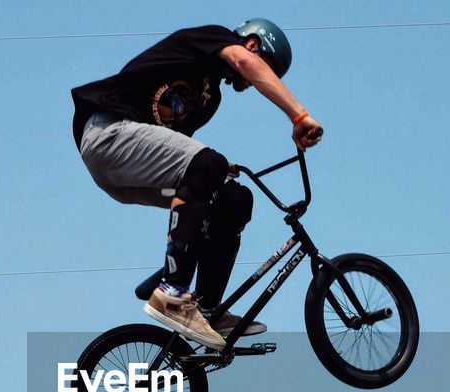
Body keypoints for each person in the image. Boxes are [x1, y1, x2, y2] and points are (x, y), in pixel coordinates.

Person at [71, 18, 324, 349]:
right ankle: (172, 292)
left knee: (232, 198)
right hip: (108, 134)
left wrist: (216, 172)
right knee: (208, 165)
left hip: (124, 177)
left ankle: (207, 308)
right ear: (253, 45)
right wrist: (299, 115)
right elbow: (243, 63)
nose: (255, 81)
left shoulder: (209, 100)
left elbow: (173, 155)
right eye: (267, 69)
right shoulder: (213, 38)